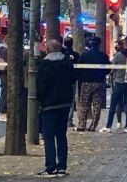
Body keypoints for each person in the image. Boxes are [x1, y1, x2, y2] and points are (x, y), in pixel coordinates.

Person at [36, 39, 75, 178]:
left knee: (48, 136)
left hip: (49, 105)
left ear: (48, 50)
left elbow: (41, 85)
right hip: (64, 104)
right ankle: (62, 166)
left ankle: (50, 167)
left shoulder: (45, 64)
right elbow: (72, 79)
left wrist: (40, 99)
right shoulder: (67, 62)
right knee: (61, 135)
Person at [100, 36, 127, 133]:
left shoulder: (118, 55)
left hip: (119, 82)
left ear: (124, 44)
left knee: (114, 104)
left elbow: (112, 68)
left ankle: (109, 126)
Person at [75, 36, 109, 132]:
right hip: (99, 82)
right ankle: (93, 126)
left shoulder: (84, 55)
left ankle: (82, 124)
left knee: (84, 104)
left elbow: (78, 68)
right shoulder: (104, 56)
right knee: (97, 105)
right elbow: (108, 69)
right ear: (99, 44)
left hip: (86, 82)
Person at [62, 37, 80, 127]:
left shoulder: (62, 54)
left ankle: (63, 119)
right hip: (72, 80)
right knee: (71, 100)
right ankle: (69, 120)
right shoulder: (76, 55)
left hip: (62, 80)